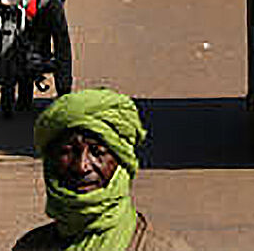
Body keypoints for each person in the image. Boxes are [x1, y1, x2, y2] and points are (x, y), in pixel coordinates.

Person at [12, 90, 191, 251]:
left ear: (121, 161)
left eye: (98, 152)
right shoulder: (30, 246)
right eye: (67, 151)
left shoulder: (162, 247)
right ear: (51, 163)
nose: (82, 166)